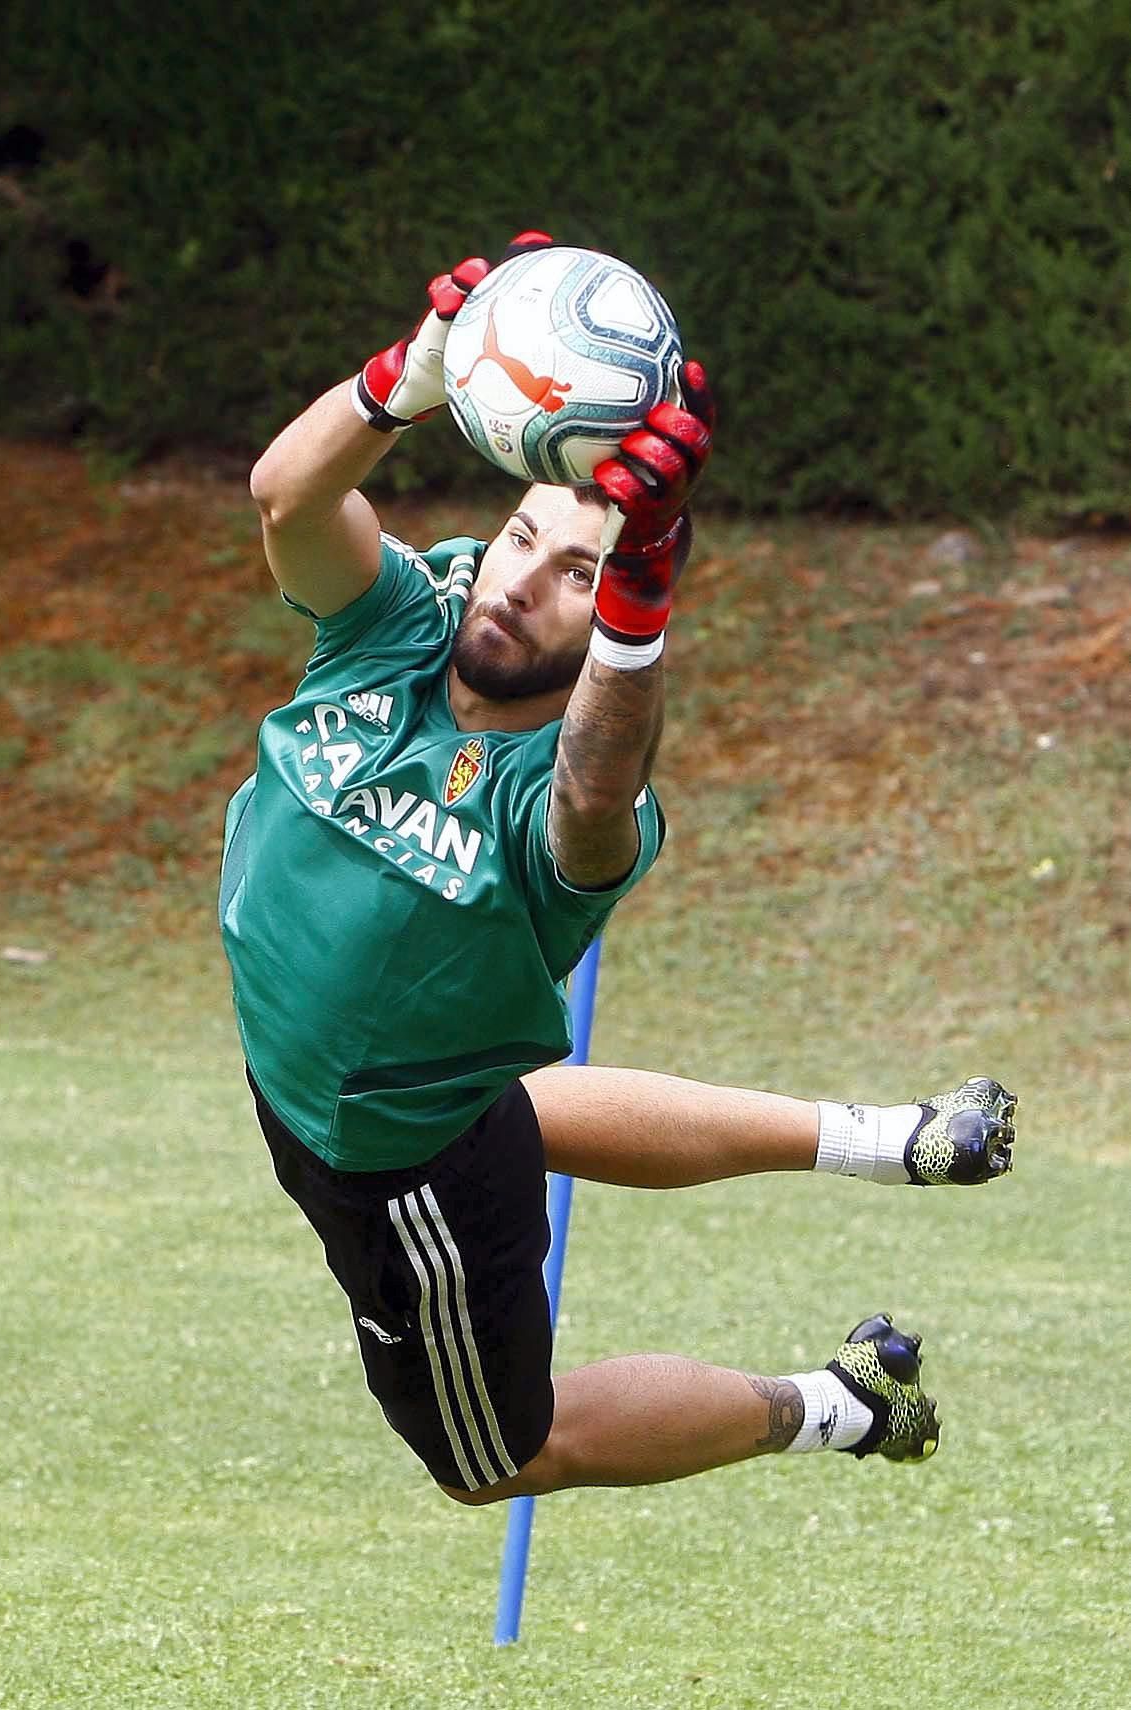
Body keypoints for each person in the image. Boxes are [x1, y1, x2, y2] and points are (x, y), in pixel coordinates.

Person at [219, 233, 1017, 1504]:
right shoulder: (398, 621)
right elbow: (286, 499)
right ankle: (891, 1140)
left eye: (579, 575)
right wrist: (405, 379)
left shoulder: (578, 787)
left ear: (619, 618)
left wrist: (639, 600)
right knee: (511, 1112)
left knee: (499, 1457)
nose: (519, 581)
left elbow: (593, 802)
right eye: (522, 538)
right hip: (338, 1086)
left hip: (389, 1163)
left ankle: (840, 1407)